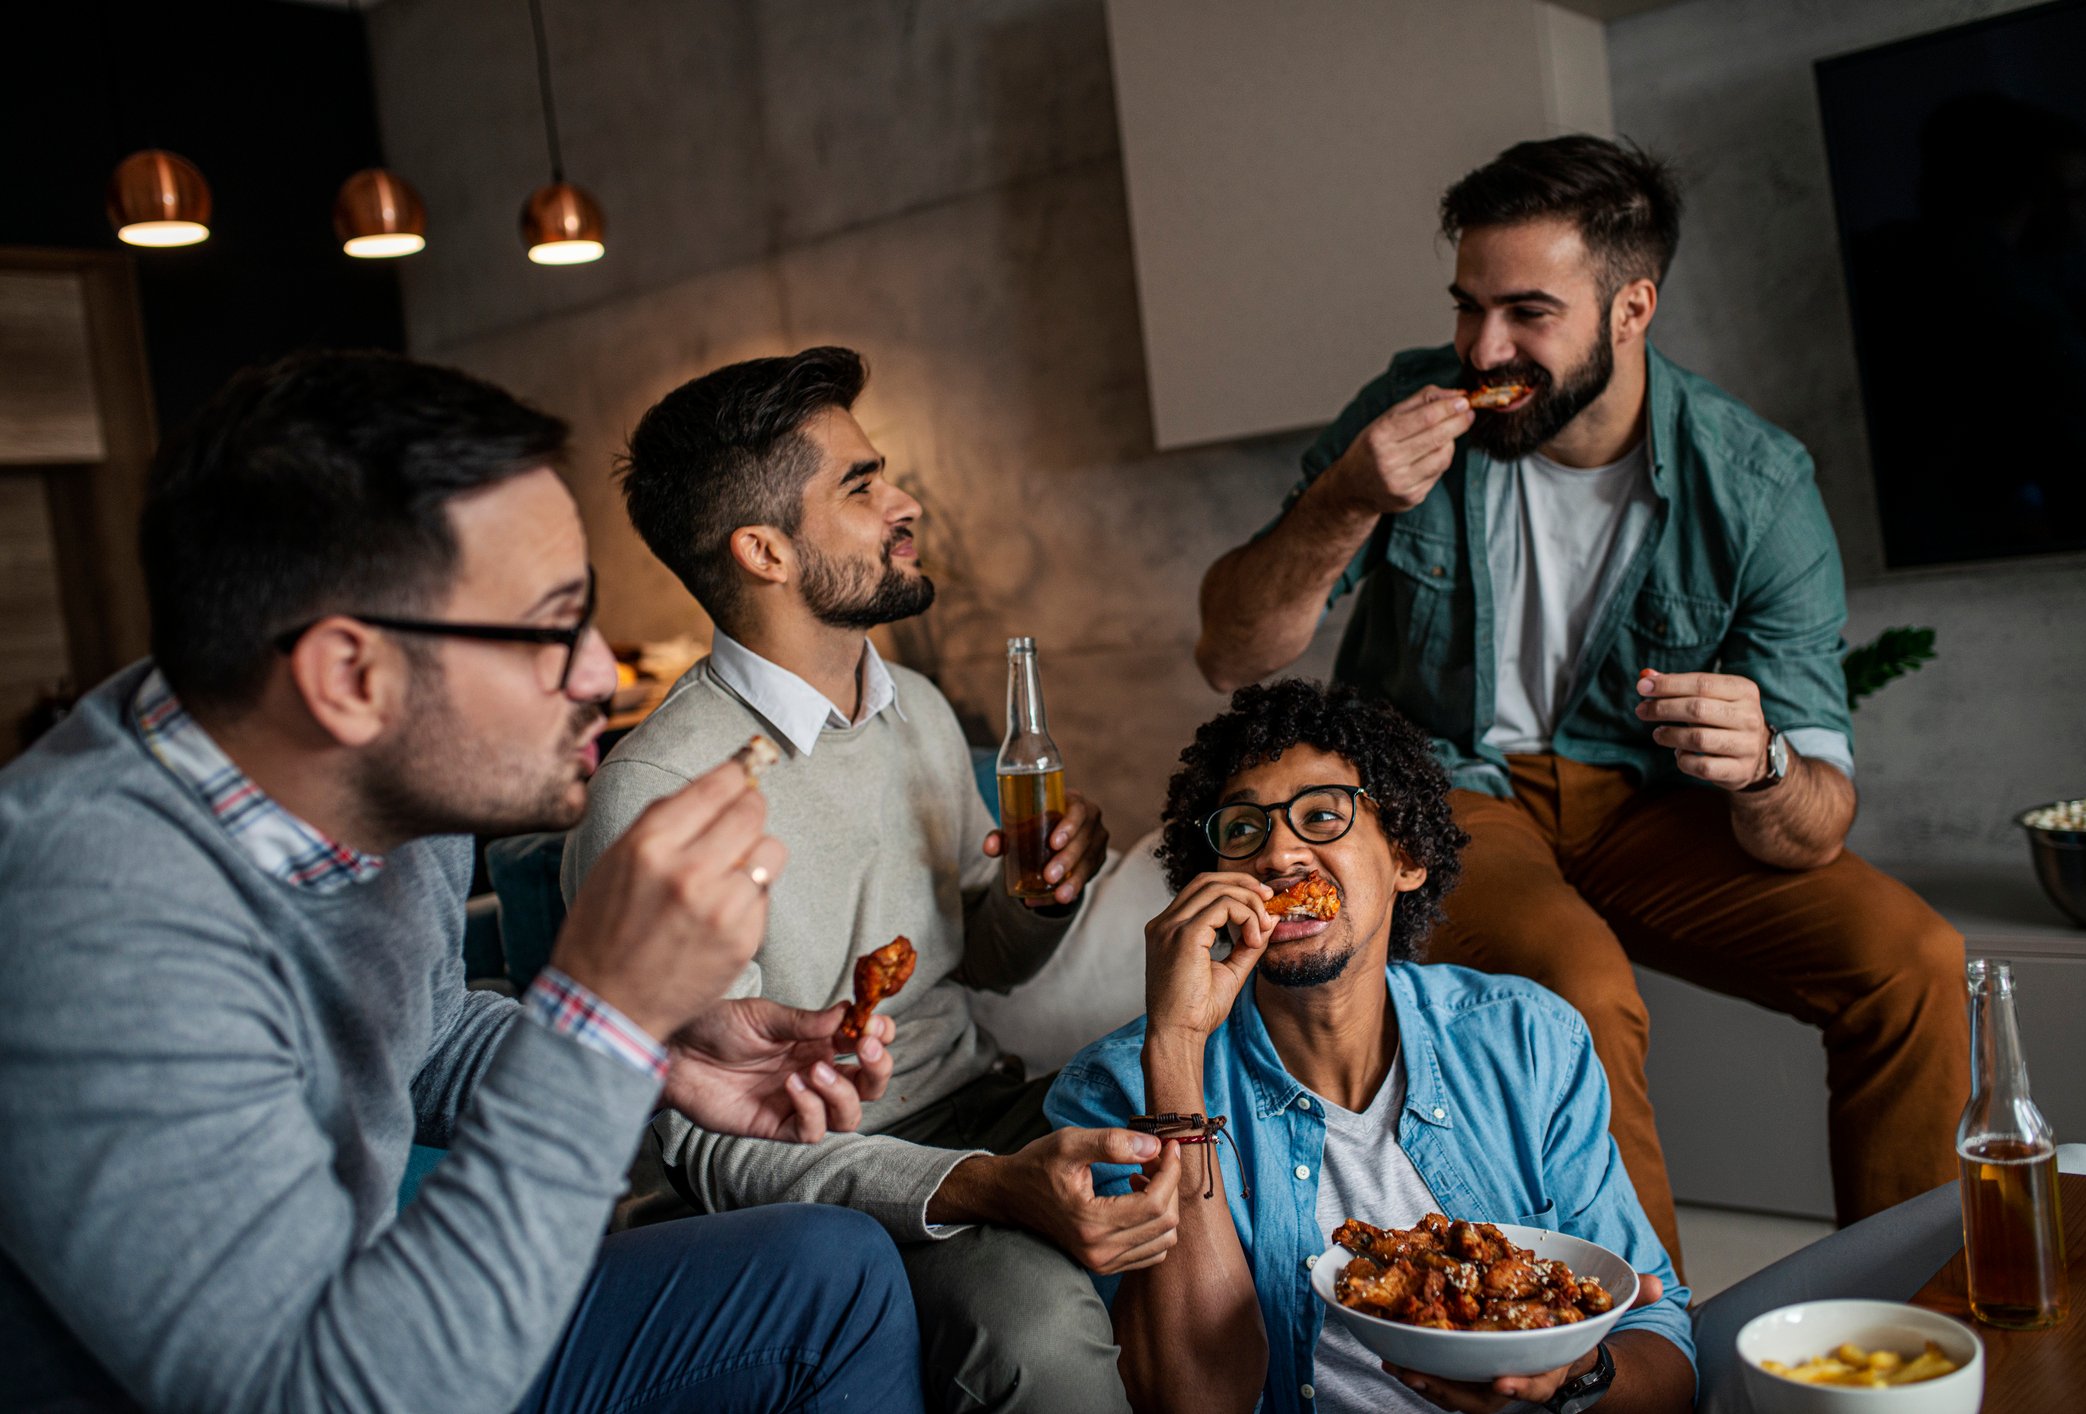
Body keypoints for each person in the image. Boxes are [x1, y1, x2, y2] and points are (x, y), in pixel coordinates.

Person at [0, 351, 923, 1413]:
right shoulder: (87, 925)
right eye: (549, 627)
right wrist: (600, 1013)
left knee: (831, 1274)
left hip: (389, 1305)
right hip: (327, 1379)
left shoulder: (384, 782)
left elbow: (423, 1030)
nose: (597, 674)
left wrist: (657, 1054)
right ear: (351, 676)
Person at [1193, 134, 1967, 1261]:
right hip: (1457, 789)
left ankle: (1907, 1328)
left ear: (1630, 307)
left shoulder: (1753, 485)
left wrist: (1760, 767)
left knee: (1914, 961)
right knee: (1577, 986)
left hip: (1654, 805)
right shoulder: (1409, 409)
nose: (1480, 347)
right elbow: (1228, 650)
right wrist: (1348, 498)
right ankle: (1649, 1357)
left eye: (1525, 313)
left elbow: (1814, 822)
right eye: (1466, 307)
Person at [562, 347, 1175, 1413]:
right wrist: (982, 1183)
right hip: (839, 1181)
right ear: (764, 550)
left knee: (1219, 1132)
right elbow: (719, 1150)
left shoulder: (920, 710)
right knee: (1030, 1326)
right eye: (861, 485)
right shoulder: (659, 792)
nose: (905, 503)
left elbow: (979, 958)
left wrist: (1039, 897)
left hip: (984, 1100)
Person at [1046, 678, 1695, 1414]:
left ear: (1407, 857)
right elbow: (1196, 1400)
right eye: (1241, 831)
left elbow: (1659, 1342)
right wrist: (1173, 1046)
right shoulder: (1112, 1092)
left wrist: (1572, 1377)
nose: (1278, 854)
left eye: (1321, 816)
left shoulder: (1528, 1041)